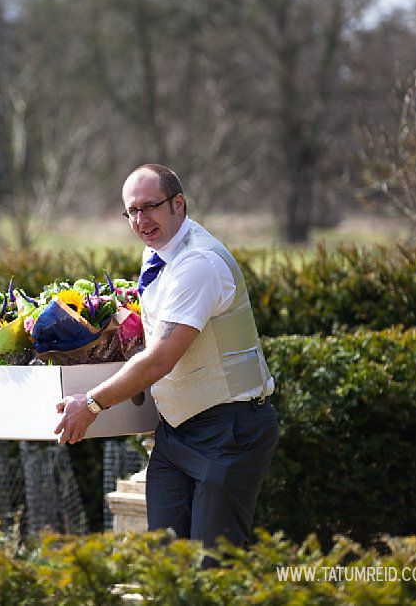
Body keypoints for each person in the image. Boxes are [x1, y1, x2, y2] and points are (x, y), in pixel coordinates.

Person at [55, 164, 277, 551]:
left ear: (179, 203)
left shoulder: (199, 263)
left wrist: (91, 403)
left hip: (230, 430)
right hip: (176, 434)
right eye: (132, 211)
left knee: (214, 569)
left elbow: (160, 360)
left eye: (150, 207)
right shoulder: (158, 253)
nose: (142, 220)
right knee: (165, 563)